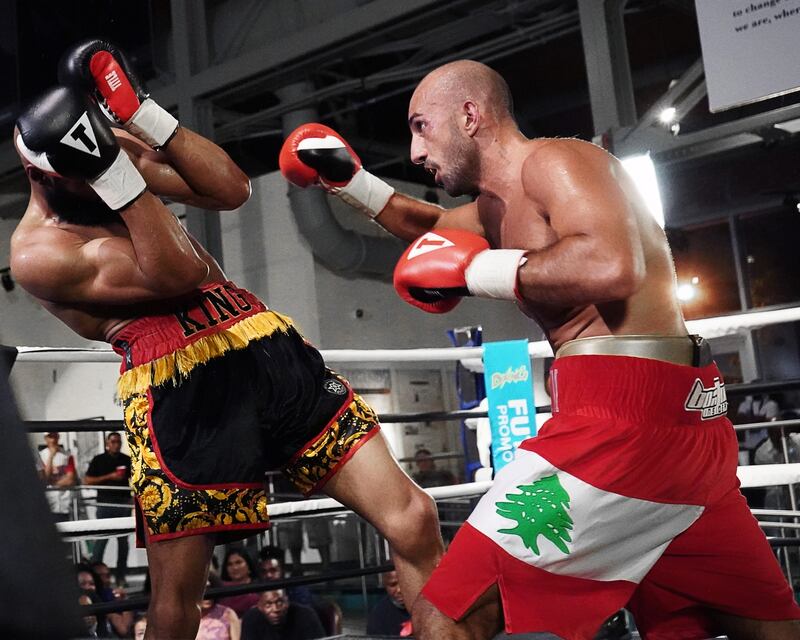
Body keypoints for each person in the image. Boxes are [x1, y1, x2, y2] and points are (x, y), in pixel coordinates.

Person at [280, 59, 800, 639]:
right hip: (682, 436)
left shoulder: (559, 160)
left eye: (422, 126)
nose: (415, 151)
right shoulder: (496, 209)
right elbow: (432, 228)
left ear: (470, 115)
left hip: (618, 434)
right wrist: (348, 181)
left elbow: (610, 265)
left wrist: (476, 270)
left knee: (446, 615)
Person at [11, 38, 441, 640]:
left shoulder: (116, 153)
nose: (100, 182)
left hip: (263, 343)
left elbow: (232, 188)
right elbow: (180, 273)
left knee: (414, 517)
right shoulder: (39, 252)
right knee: (179, 603)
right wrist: (114, 175)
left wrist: (142, 118)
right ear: (40, 173)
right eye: (88, 173)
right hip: (181, 386)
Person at [85, 432, 133, 585]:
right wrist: (109, 477)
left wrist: (133, 496)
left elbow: (136, 478)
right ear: (107, 443)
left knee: (123, 542)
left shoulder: (126, 460)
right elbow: (88, 481)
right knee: (101, 541)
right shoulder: (99, 460)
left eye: (118, 442)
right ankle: (95, 576)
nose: (116, 445)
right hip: (105, 504)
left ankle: (121, 577)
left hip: (123, 503)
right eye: (113, 442)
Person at [240, 589, 324, 640]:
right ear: (259, 606)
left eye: (279, 602)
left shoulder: (306, 615)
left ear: (287, 602)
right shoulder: (251, 618)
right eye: (268, 604)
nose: (275, 609)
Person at [37, 432, 77, 522]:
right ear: (46, 438)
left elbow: (70, 479)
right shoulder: (40, 455)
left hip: (64, 501)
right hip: (48, 501)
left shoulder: (67, 455)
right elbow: (45, 477)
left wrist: (53, 483)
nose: (53, 440)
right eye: (50, 437)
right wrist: (51, 456)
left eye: (55, 436)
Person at [366, 570, 411, 637]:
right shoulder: (378, 615)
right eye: (393, 585)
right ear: (385, 585)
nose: (399, 590)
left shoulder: (427, 606)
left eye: (403, 583)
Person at [218, 548, 261, 618]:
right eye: (230, 564)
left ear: (249, 565)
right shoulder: (222, 590)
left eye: (238, 562)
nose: (234, 567)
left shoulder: (260, 586)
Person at [197, 574, 241, 640]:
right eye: (202, 591)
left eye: (210, 589)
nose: (208, 597)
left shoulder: (228, 613)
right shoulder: (187, 617)